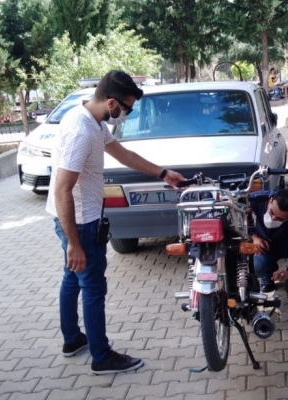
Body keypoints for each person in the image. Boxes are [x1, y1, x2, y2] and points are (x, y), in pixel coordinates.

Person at [46, 70, 186, 375]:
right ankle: (102, 357)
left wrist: (163, 173)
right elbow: (62, 190)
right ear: (111, 103)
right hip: (81, 222)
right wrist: (74, 244)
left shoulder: (91, 120)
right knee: (93, 288)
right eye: (127, 109)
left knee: (72, 279)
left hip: (75, 219)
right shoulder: (82, 131)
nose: (127, 114)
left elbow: (122, 154)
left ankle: (72, 340)